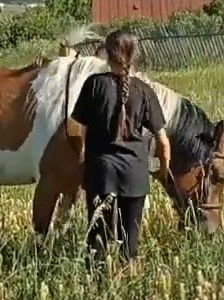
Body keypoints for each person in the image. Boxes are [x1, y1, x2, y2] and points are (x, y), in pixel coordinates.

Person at [67, 30, 171, 264]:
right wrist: (163, 171)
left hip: (100, 173)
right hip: (135, 175)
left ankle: (97, 282)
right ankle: (128, 281)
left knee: (97, 244)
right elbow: (163, 141)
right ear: (135, 55)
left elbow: (74, 128)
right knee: (130, 247)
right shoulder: (145, 91)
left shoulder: (94, 84)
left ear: (107, 53)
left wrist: (82, 156)